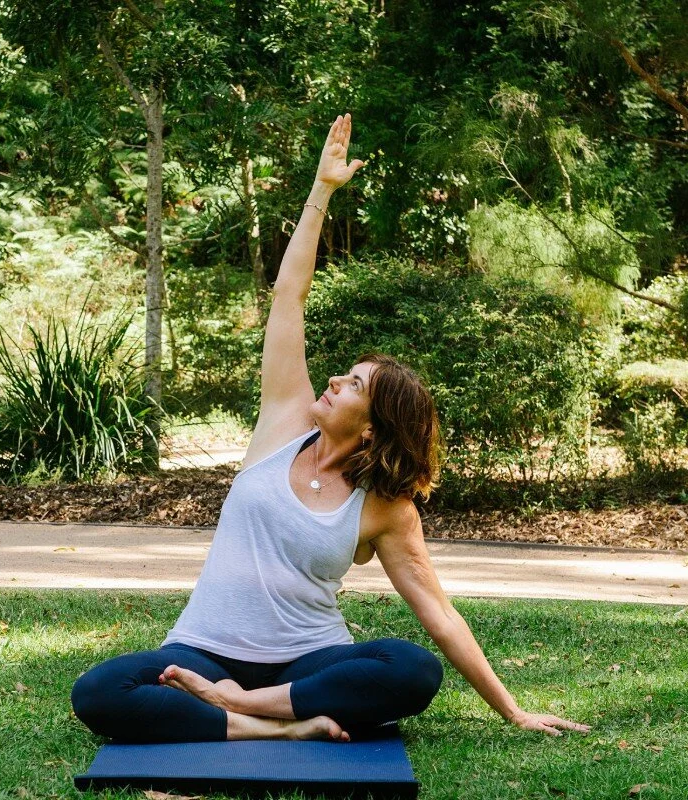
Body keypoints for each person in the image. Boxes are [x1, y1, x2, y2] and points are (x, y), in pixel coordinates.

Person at [71, 113, 591, 744]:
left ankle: (247, 706)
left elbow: (438, 616)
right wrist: (322, 190)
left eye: (355, 384)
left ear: (373, 429)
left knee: (411, 668)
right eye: (344, 373)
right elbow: (290, 296)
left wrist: (512, 709)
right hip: (204, 651)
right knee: (99, 691)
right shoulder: (283, 424)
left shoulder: (385, 507)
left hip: (305, 663)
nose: (336, 382)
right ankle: (271, 728)